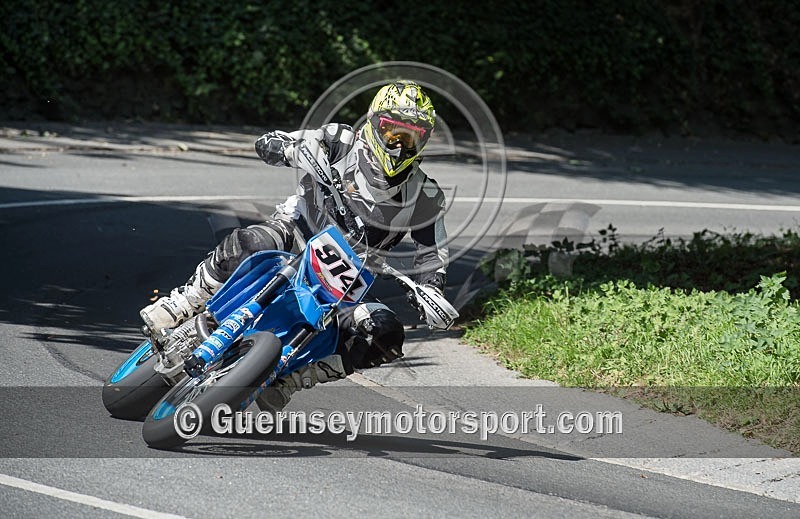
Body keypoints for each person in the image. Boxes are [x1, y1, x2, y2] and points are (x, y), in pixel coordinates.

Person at [140, 80, 449, 413]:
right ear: (374, 123)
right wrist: (285, 149)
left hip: (346, 280)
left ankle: (294, 378)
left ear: (424, 140)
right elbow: (276, 141)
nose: (400, 145)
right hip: (295, 232)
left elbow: (432, 254)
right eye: (393, 132)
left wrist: (432, 290)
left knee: (386, 334)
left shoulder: (426, 195)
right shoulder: (339, 140)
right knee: (250, 241)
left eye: (411, 137)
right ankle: (186, 302)